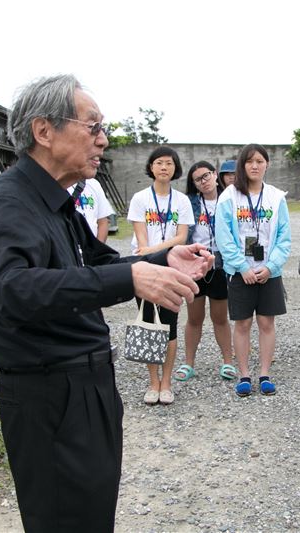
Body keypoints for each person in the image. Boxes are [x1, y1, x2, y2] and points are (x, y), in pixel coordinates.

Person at [0, 75, 212, 532]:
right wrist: (131, 276)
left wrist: (163, 258)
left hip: (86, 384)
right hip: (48, 392)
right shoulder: (7, 200)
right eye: (93, 126)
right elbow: (14, 290)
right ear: (44, 132)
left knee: (91, 515)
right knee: (64, 520)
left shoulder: (56, 203)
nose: (103, 139)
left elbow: (98, 261)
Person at [216, 144, 291, 397]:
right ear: (242, 165)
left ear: (267, 164)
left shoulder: (276, 197)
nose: (255, 165)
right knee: (243, 323)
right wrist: (241, 266)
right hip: (240, 273)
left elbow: (284, 238)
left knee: (266, 323)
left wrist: (271, 267)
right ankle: (245, 374)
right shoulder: (229, 197)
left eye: (260, 160)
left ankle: (265, 374)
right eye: (249, 161)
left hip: (269, 272)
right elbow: (224, 237)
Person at [127, 146, 195, 405]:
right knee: (148, 325)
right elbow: (140, 236)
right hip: (144, 269)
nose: (164, 167)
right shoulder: (140, 199)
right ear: (151, 168)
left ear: (175, 168)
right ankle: (152, 381)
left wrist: (155, 250)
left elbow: (182, 237)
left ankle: (166, 382)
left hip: (172, 269)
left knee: (169, 327)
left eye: (169, 163)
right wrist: (151, 253)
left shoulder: (181, 201)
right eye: (159, 163)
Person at [181, 161, 236, 381]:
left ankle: (228, 362)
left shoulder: (229, 200)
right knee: (194, 317)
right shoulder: (191, 203)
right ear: (193, 184)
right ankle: (188, 363)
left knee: (220, 317)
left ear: (215, 175)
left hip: (220, 263)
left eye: (206, 176)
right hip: (196, 262)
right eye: (197, 179)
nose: (203, 182)